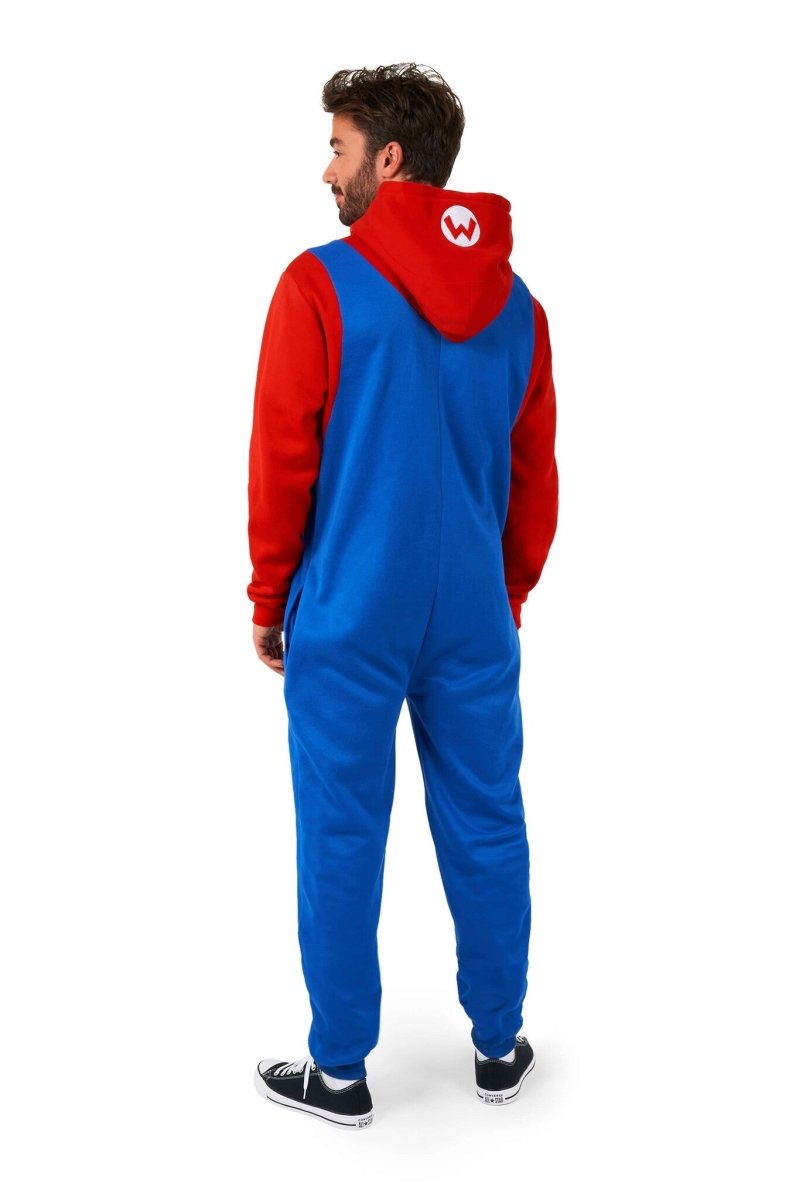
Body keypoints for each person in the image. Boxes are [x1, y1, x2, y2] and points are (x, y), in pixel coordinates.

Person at [247, 63, 559, 1129]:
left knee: (341, 832)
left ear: (388, 159)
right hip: (473, 611)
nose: (325, 171)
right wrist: (505, 591)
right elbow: (534, 472)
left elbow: (282, 458)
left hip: (350, 608)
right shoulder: (517, 306)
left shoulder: (318, 285)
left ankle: (339, 1072)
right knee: (488, 818)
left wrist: (269, 595)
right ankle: (499, 1046)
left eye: (337, 148)